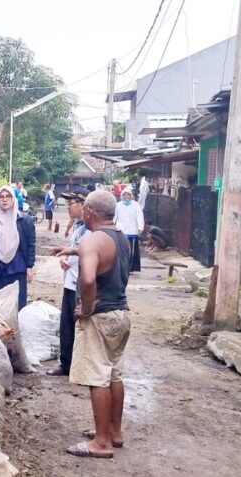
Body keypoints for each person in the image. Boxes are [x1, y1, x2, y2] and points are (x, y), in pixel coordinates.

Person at [54, 190, 132, 459]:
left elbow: (88, 280)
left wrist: (86, 308)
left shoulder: (90, 240)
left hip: (100, 317)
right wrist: (75, 249)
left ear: (89, 212)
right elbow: (107, 259)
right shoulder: (121, 238)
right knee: (114, 375)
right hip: (121, 313)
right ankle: (114, 432)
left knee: (97, 377)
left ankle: (100, 443)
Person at [47, 189, 89, 376]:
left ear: (82, 204)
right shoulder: (79, 229)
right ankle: (67, 363)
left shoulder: (92, 231)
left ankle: (78, 366)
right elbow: (75, 252)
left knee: (81, 326)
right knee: (67, 325)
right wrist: (65, 259)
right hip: (70, 282)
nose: (68, 208)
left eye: (71, 204)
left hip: (83, 285)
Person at [113, 190, 144, 272]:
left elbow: (139, 216)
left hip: (132, 231)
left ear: (131, 196)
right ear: (122, 196)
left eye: (128, 195)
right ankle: (122, 267)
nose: (126, 197)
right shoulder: (118, 205)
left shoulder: (135, 205)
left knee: (131, 251)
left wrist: (140, 227)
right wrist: (112, 226)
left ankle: (130, 268)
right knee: (121, 250)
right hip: (121, 231)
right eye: (125, 195)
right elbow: (114, 217)